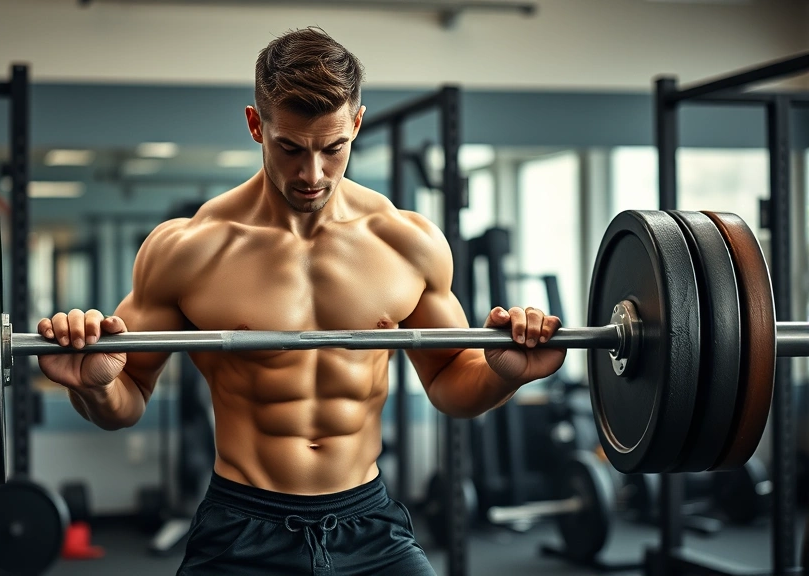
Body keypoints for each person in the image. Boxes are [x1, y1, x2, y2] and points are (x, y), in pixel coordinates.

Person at [37, 26, 565, 576]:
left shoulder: (407, 243)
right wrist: (94, 387)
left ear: (357, 124)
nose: (312, 174)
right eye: (290, 147)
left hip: (369, 523)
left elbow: (450, 382)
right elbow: (129, 395)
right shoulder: (190, 249)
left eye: (333, 148)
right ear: (255, 125)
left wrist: (506, 375)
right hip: (242, 527)